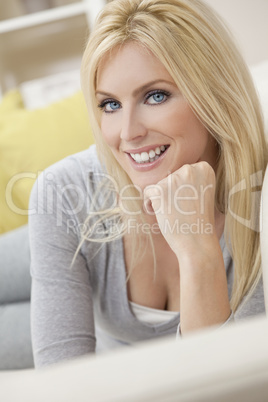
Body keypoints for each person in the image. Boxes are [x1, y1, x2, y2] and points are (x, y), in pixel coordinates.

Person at [29, 0, 267, 368]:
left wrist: (198, 254)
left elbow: (220, 383)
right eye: (109, 104)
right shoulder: (63, 190)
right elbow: (61, 381)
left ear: (215, 94)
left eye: (155, 96)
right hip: (87, 212)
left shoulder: (259, 202)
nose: (127, 133)